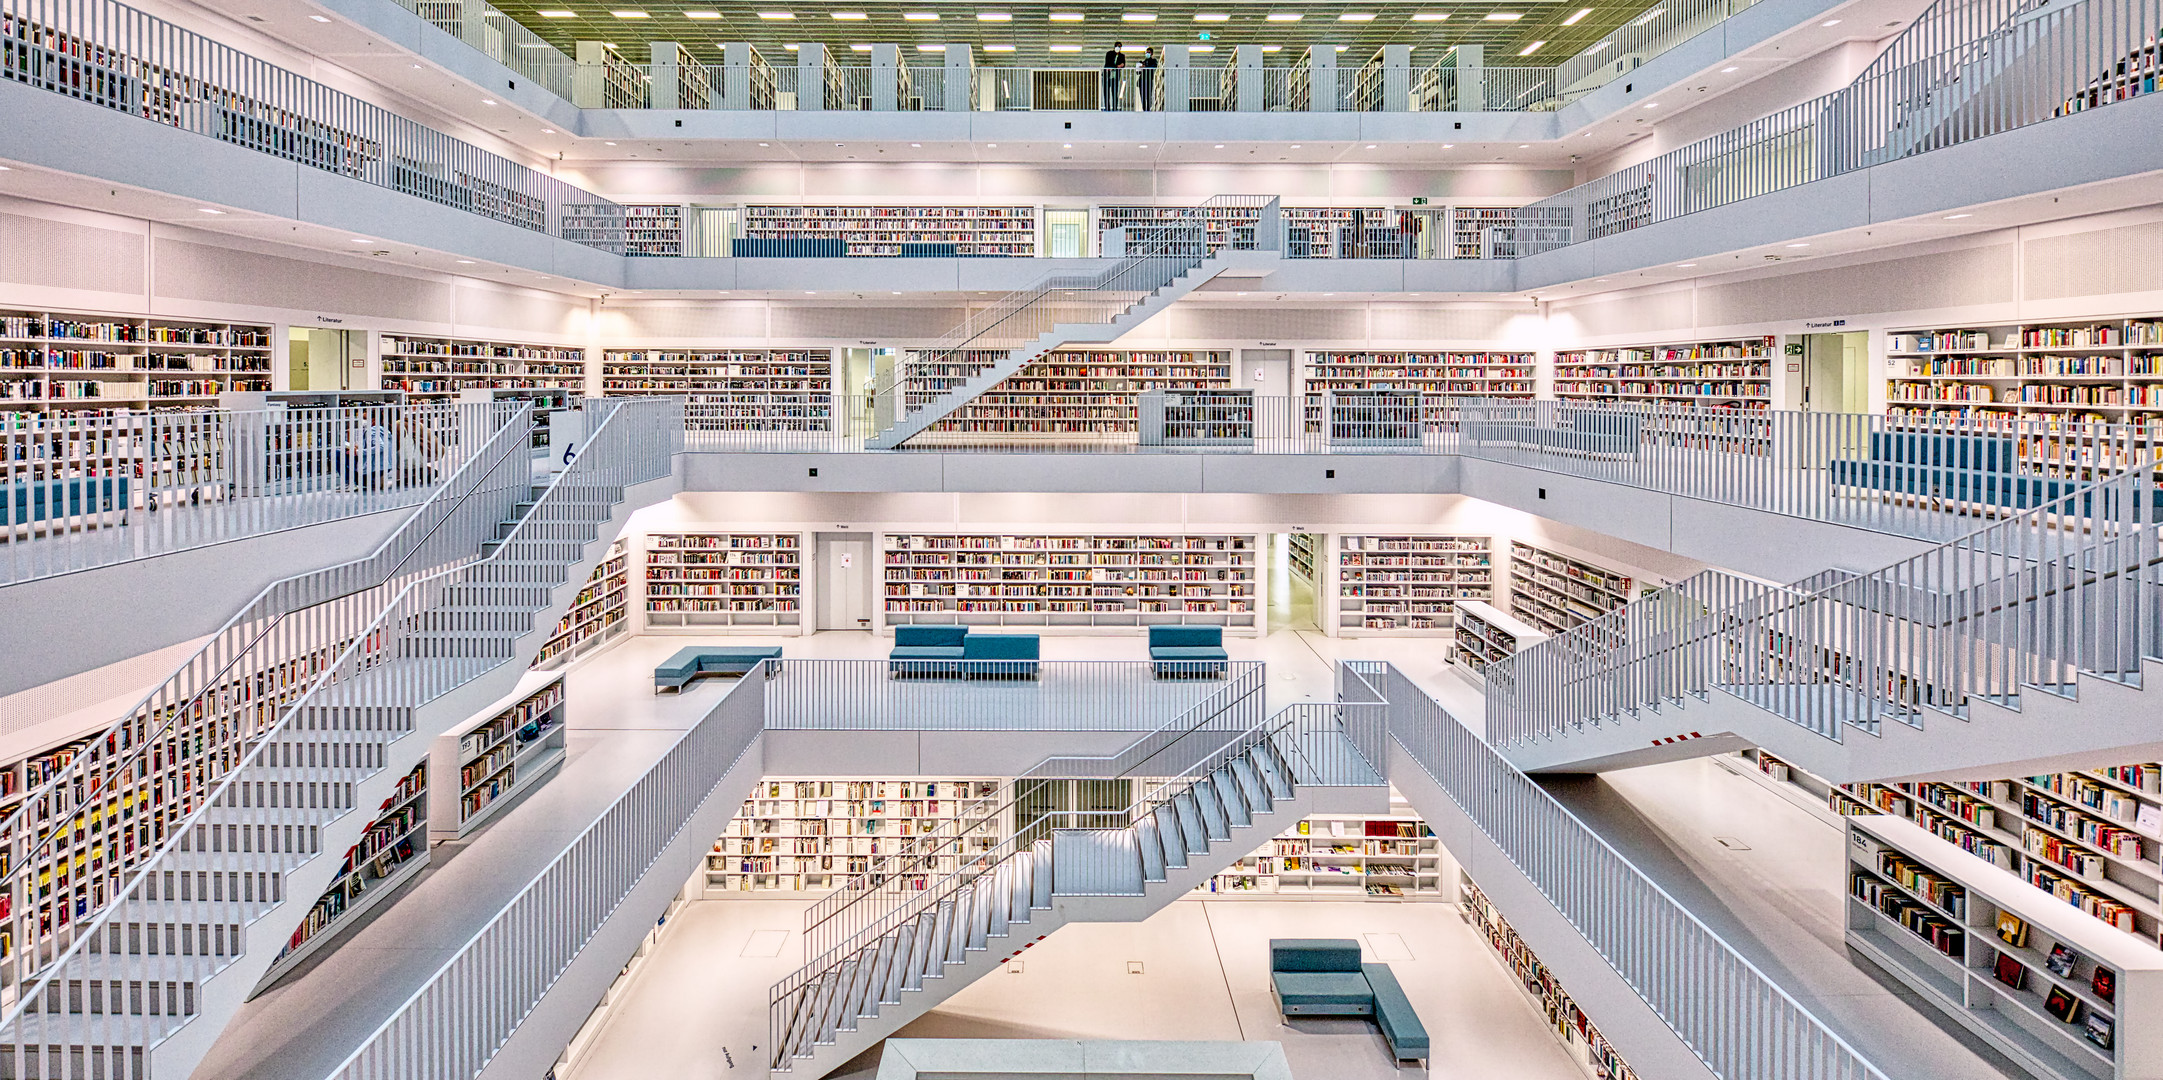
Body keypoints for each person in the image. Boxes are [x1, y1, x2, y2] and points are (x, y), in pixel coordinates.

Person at [1101, 42, 1127, 111]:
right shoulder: (1109, 54)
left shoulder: (1122, 56)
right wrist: (1116, 66)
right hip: (1107, 76)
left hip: (1115, 76)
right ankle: (1107, 108)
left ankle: (1115, 108)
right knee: (1106, 93)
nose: (1117, 47)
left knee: (1114, 92)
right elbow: (1108, 64)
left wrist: (1117, 66)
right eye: (1116, 46)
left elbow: (1123, 65)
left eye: (1119, 46)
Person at [1138, 46, 1159, 111]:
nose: (1147, 54)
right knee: (1142, 96)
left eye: (1149, 52)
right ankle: (1144, 109)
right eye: (1146, 52)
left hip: (1149, 80)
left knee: (1148, 95)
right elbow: (1138, 72)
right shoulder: (1143, 61)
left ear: (1151, 54)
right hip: (1142, 80)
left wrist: (1145, 66)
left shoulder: (1153, 61)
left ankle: (1148, 108)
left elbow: (1154, 66)